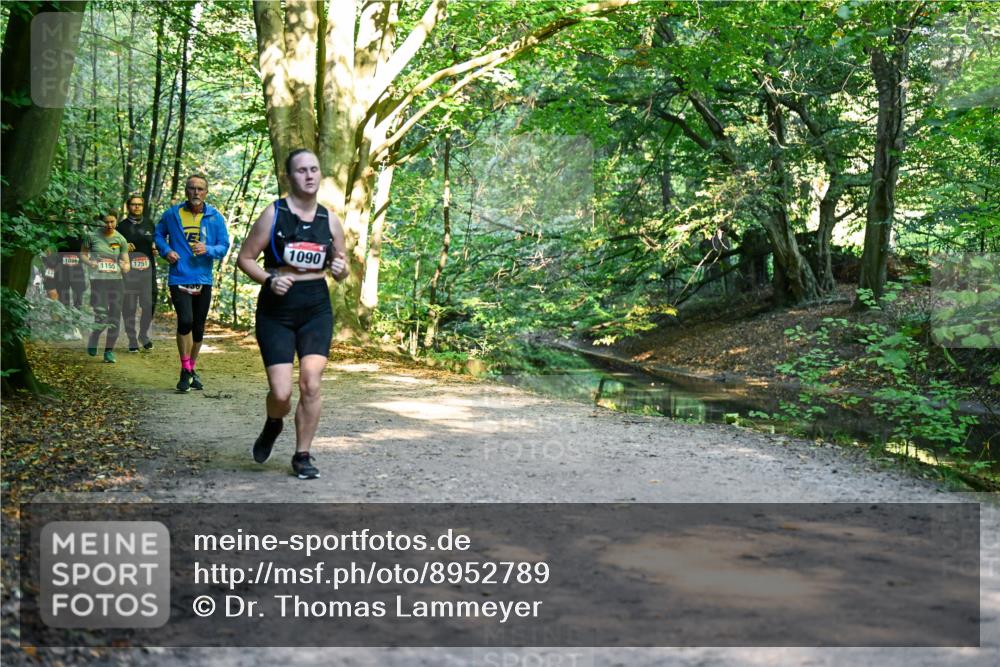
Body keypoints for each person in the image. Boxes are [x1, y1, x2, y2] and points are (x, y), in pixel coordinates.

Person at [237, 149, 348, 480]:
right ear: (289, 177)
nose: (309, 175)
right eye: (302, 170)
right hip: (277, 310)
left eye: (314, 169)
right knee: (281, 393)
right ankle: (274, 422)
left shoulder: (330, 220)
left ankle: (302, 455)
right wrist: (269, 280)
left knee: (311, 383)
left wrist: (341, 269)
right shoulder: (274, 214)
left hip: (316, 307)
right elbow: (245, 258)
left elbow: (342, 267)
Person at [154, 174, 230, 392]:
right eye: (192, 188)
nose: (196, 192)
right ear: (186, 191)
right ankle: (185, 369)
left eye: (200, 189)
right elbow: (158, 235)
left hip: (203, 278)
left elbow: (224, 246)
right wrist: (166, 250)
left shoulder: (215, 217)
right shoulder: (172, 214)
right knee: (185, 321)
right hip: (179, 275)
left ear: (206, 192)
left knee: (198, 327)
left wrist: (209, 249)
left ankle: (189, 369)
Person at [81, 211, 130, 363]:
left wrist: (125, 266)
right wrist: (90, 262)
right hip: (98, 281)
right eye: (106, 222)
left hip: (116, 282)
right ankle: (94, 336)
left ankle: (109, 351)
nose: (109, 225)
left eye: (112, 222)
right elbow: (83, 254)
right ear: (101, 222)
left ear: (116, 221)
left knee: (115, 317)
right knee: (101, 315)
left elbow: (127, 263)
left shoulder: (121, 239)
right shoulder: (91, 236)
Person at [118, 193, 157, 352]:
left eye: (139, 204)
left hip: (148, 272)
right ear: (128, 207)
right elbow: (111, 248)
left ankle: (143, 334)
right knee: (129, 306)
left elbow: (156, 241)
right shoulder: (121, 227)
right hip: (129, 273)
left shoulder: (150, 224)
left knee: (150, 303)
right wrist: (123, 247)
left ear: (143, 206)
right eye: (133, 204)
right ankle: (132, 338)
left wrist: (156, 248)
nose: (137, 207)